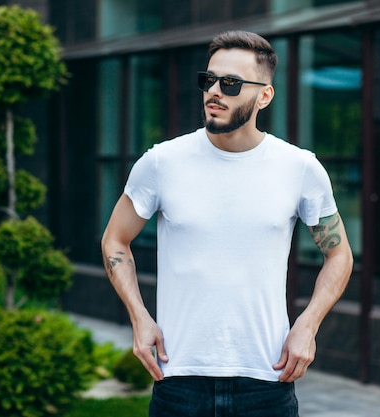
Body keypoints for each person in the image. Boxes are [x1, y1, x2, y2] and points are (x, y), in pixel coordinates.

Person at [101, 30, 353, 417]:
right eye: (209, 80)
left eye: (231, 83)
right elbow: (116, 239)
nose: (214, 91)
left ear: (264, 96)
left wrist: (308, 325)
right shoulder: (161, 163)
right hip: (179, 378)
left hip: (267, 379)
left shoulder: (300, 168)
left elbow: (338, 255)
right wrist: (139, 317)